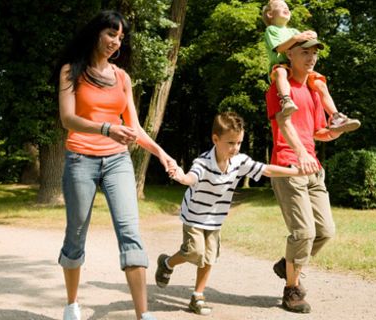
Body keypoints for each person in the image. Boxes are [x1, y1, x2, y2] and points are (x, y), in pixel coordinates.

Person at [55, 10, 177, 320]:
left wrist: (162, 154)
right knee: (76, 232)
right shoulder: (71, 71)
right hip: (80, 158)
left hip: (117, 161)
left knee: (130, 232)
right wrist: (107, 128)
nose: (115, 41)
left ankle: (143, 315)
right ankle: (72, 304)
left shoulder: (122, 77)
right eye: (111, 34)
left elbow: (133, 127)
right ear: (96, 33)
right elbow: (68, 119)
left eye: (120, 37)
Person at [155, 111, 304, 316]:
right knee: (194, 253)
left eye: (239, 143)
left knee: (209, 258)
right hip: (195, 216)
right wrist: (181, 177)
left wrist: (297, 171)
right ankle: (166, 263)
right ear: (215, 139)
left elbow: (266, 170)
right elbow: (191, 178)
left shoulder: (239, 161)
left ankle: (197, 296)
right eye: (231, 143)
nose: (235, 148)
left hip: (215, 219)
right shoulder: (203, 162)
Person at [265, 38, 341, 314]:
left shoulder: (312, 90)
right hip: (288, 166)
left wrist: (334, 132)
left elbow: (318, 131)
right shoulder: (278, 88)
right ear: (290, 55)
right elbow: (284, 124)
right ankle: (291, 290)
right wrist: (300, 153)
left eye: (314, 54)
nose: (311, 58)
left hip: (313, 168)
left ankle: (285, 264)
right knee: (303, 232)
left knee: (325, 231)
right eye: (304, 53)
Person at [262, 0, 361, 133]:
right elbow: (280, 48)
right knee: (281, 72)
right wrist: (297, 38)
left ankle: (336, 116)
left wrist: (311, 35)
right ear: (270, 14)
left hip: (297, 66)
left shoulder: (293, 31)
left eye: (287, 7)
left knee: (320, 84)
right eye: (281, 7)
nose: (286, 9)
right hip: (281, 65)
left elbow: (305, 42)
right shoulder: (271, 30)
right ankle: (286, 100)